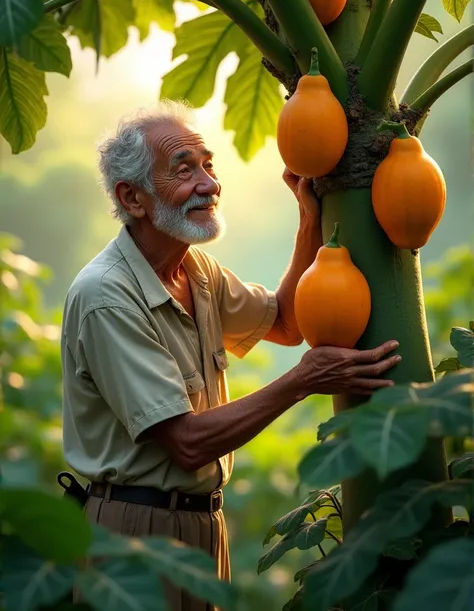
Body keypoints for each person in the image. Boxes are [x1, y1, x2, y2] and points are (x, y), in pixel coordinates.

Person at [60, 100, 401, 611]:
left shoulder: (195, 269)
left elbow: (286, 323)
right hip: (134, 531)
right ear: (132, 198)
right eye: (184, 170)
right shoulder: (106, 296)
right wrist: (302, 380)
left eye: (208, 165)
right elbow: (187, 444)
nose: (210, 184)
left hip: (201, 527)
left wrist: (309, 220)